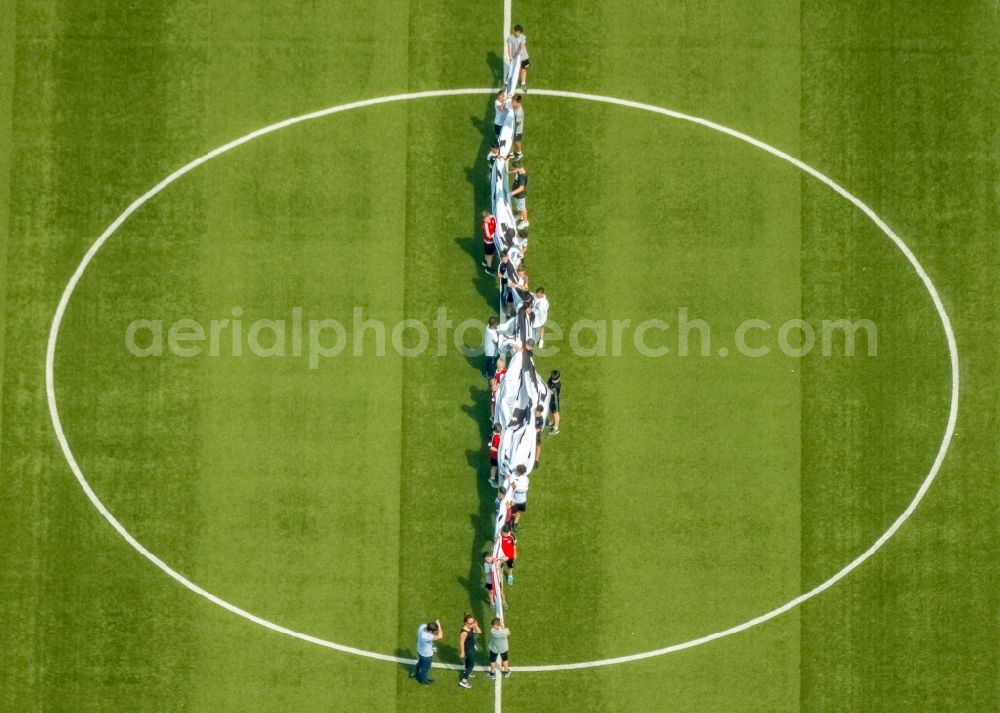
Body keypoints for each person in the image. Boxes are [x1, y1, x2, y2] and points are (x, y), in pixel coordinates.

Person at [411, 619, 443, 685]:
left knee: (420, 662)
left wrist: (434, 624)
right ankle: (423, 680)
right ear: (431, 631)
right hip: (426, 655)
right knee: (425, 668)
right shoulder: (427, 636)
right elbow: (440, 636)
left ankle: (415, 672)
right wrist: (439, 624)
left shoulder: (422, 626)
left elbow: (428, 626)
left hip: (420, 650)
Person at [458, 615, 482, 688]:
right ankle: (464, 680)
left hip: (471, 646)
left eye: (473, 622)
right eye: (470, 623)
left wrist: (475, 625)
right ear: (466, 623)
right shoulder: (464, 632)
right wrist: (462, 652)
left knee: (468, 660)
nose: (472, 624)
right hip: (468, 648)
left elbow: (479, 632)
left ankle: (467, 670)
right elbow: (461, 642)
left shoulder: (471, 627)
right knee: (471, 665)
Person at [505, 24, 530, 93]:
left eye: (519, 32)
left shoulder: (523, 37)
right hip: (515, 58)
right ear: (514, 31)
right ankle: (512, 82)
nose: (518, 34)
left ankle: (523, 84)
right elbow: (510, 48)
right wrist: (510, 57)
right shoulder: (510, 38)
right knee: (515, 71)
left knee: (523, 70)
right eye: (517, 32)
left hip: (524, 56)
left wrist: (520, 54)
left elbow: (522, 45)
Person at [509, 464, 529, 530]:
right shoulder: (513, 475)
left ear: (522, 472)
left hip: (521, 500)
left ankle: (515, 523)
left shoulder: (525, 479)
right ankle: (510, 522)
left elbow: (524, 489)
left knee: (518, 512)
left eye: (518, 471)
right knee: (511, 511)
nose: (517, 472)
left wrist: (515, 488)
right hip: (513, 499)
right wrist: (514, 486)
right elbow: (511, 482)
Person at [511, 161, 528, 229]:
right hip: (517, 194)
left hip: (520, 195)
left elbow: (521, 188)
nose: (513, 170)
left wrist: (511, 193)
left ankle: (525, 222)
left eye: (514, 168)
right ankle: (520, 215)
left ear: (517, 168)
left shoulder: (522, 176)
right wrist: (507, 173)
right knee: (519, 207)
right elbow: (515, 171)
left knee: (522, 208)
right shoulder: (520, 170)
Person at [487, 423, 502, 487]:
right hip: (494, 456)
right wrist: (499, 451)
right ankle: (492, 479)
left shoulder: (495, 434)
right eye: (498, 431)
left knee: (496, 466)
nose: (500, 432)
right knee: (494, 467)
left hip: (496, 455)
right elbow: (491, 448)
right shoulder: (494, 437)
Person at [546, 370, 561, 434]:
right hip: (550, 399)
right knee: (550, 411)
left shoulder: (557, 386)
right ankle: (551, 422)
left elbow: (551, 392)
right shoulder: (551, 381)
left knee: (555, 413)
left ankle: (556, 428)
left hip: (554, 401)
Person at [511, 95, 525, 159]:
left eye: (513, 102)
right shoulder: (517, 107)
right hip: (516, 129)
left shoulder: (519, 112)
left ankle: (519, 153)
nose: (512, 103)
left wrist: (511, 122)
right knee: (515, 141)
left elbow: (518, 123)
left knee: (517, 141)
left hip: (517, 130)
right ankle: (516, 152)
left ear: (517, 102)